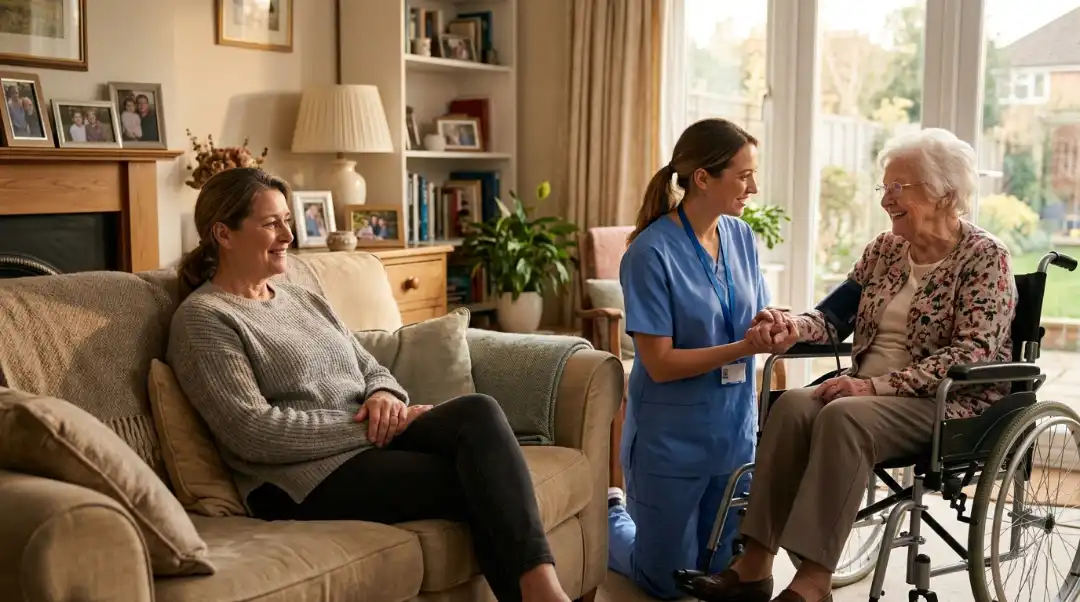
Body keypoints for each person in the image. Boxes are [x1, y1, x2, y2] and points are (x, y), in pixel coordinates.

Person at [166, 167, 571, 602]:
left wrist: (384, 395)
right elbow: (252, 431)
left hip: (370, 441)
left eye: (287, 219)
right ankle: (544, 595)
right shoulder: (205, 318)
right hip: (298, 480)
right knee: (478, 480)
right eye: (271, 223)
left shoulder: (301, 297)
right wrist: (373, 427)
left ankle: (542, 592)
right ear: (223, 234)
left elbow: (370, 366)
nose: (288, 234)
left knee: (479, 411)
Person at [689, 127, 1018, 602]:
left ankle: (812, 582)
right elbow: (831, 317)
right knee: (795, 407)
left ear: (944, 192)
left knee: (843, 415)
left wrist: (876, 386)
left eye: (899, 187)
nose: (887, 199)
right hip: (867, 391)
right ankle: (755, 564)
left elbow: (972, 353)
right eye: (884, 187)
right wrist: (792, 327)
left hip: (946, 403)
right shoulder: (884, 250)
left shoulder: (985, 257)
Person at [607, 118, 799, 600]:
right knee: (668, 584)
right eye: (743, 175)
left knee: (722, 573)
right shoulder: (649, 254)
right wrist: (743, 348)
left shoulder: (740, 236)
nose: (753, 187)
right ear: (703, 178)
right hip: (670, 443)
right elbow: (661, 363)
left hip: (732, 436)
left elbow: (754, 309)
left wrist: (771, 320)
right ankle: (609, 513)